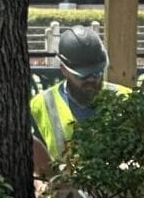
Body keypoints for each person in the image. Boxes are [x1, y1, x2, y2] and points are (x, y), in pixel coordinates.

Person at [30, 23, 127, 180]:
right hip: (64, 194)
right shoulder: (41, 105)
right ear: (64, 70)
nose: (92, 80)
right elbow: (37, 162)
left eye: (97, 73)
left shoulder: (125, 99)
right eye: (83, 75)